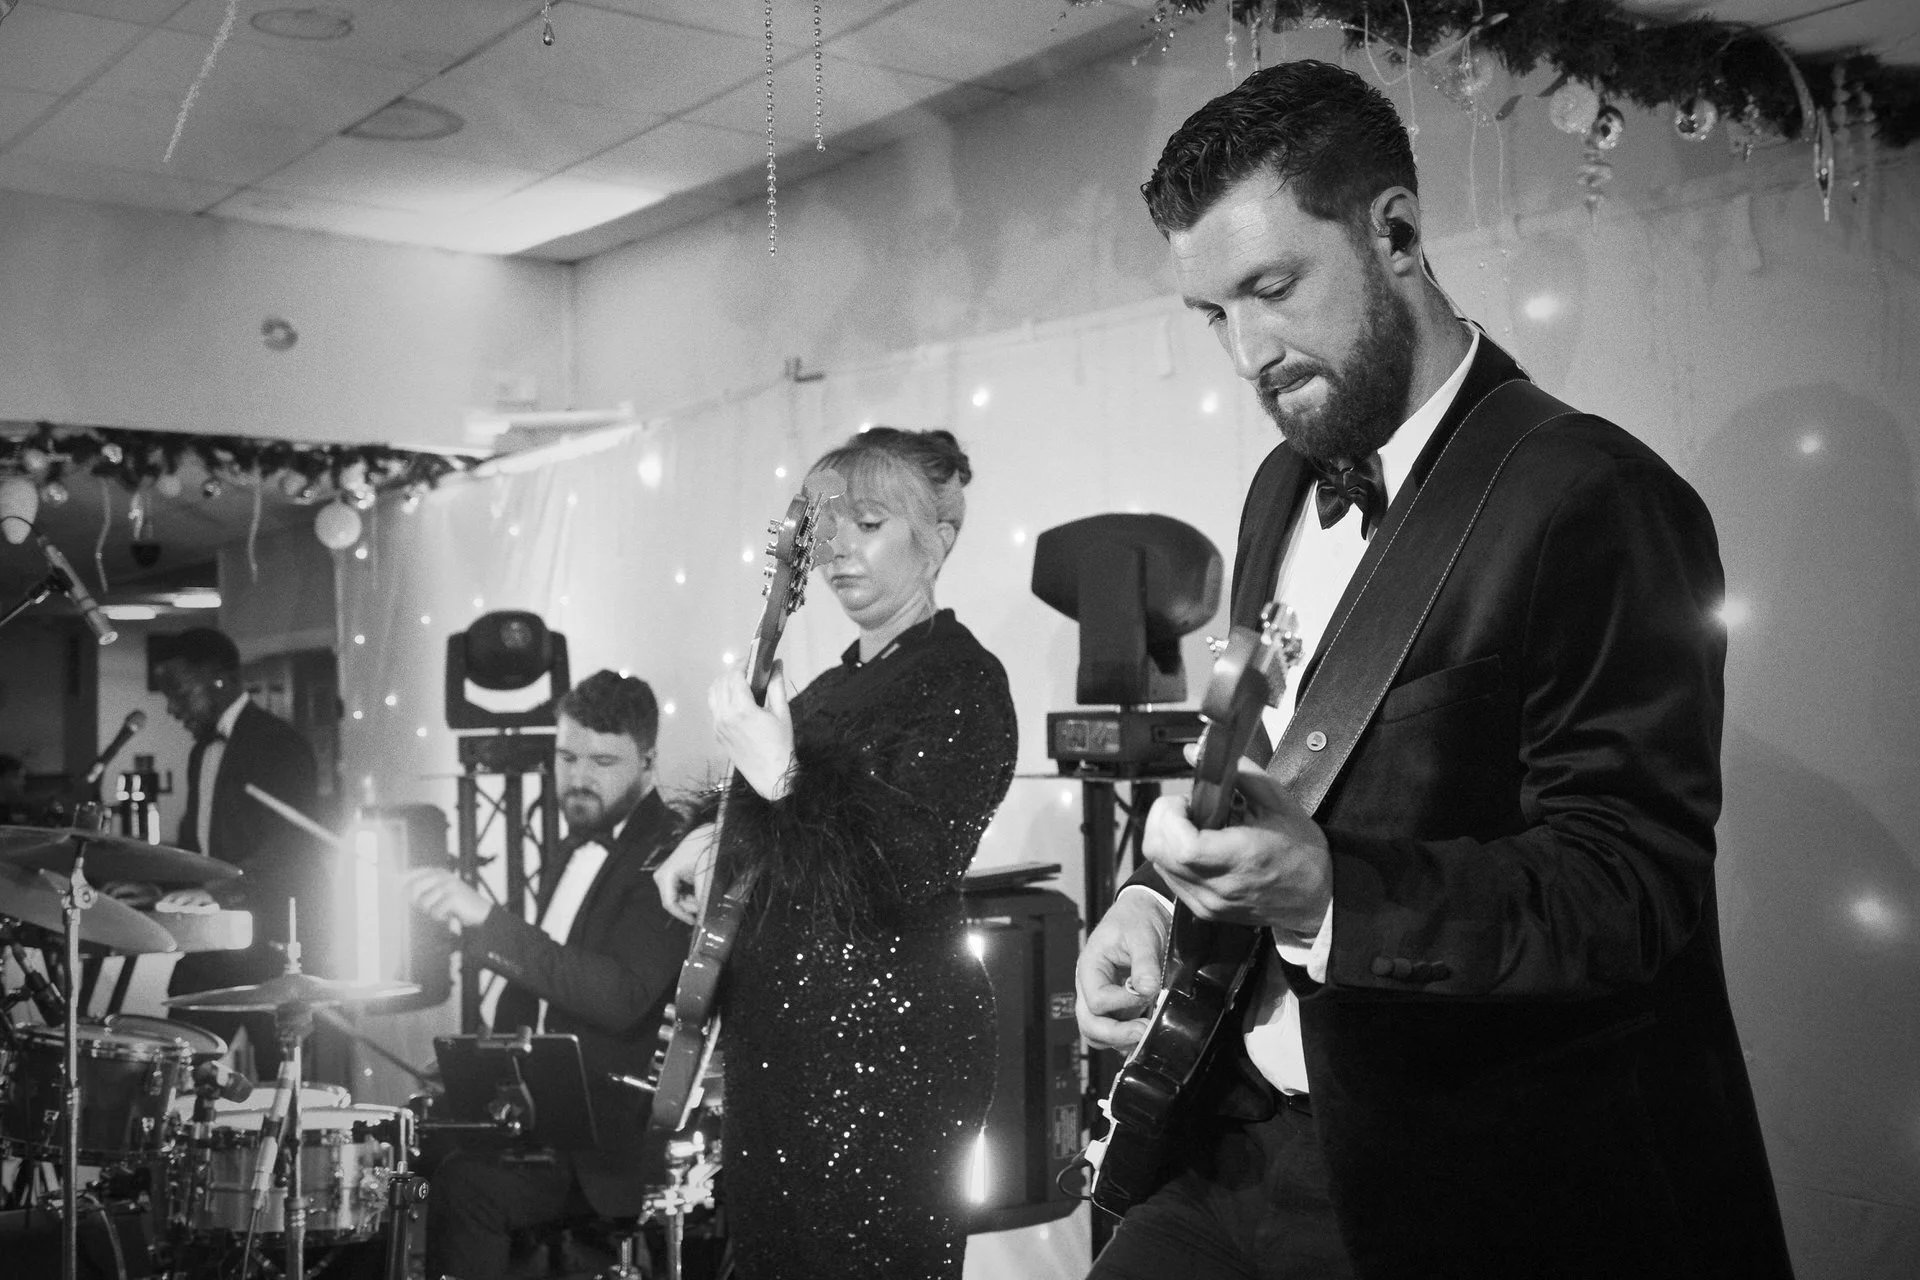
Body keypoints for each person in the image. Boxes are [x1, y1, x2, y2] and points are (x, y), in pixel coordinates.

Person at [1073, 61, 1792, 1280]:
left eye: (1273, 286)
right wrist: (1157, 897)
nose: (1248, 351)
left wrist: (1330, 896)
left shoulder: (1595, 495)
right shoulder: (1281, 483)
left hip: (1451, 1187)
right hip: (1232, 1135)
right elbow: (1264, 760)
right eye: (1213, 314)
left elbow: (1629, 889)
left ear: (1395, 230)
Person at [654, 427, 1017, 1280]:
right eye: (827, 528)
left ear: (942, 539)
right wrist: (708, 836)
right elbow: (785, 835)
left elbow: (903, 866)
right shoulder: (827, 690)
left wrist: (780, 770)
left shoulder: (962, 681)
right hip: (784, 1057)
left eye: (871, 524)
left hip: (887, 1068)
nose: (837, 551)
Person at [406, 671, 691, 1280]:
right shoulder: (570, 846)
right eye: (566, 756)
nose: (579, 777)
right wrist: (477, 1059)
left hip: (604, 1144)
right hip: (535, 1115)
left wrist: (488, 918)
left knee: (465, 1186)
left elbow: (618, 997)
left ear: (648, 762)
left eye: (603, 760)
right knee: (409, 1156)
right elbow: (539, 985)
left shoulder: (670, 855)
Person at [151, 627, 327, 1078]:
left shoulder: (278, 744)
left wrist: (225, 893)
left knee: (282, 1091)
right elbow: (201, 845)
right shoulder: (199, 753)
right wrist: (155, 883)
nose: (171, 708)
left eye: (179, 692)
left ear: (219, 681)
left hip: (273, 948)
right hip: (212, 947)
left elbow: (295, 846)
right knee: (177, 1075)